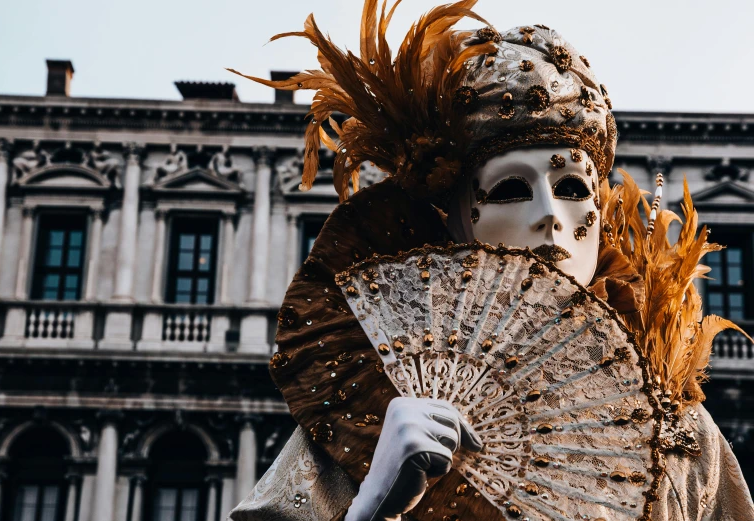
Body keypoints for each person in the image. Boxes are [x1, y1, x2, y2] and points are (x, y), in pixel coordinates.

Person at [228, 1, 754, 519]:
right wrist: (372, 505)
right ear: (459, 219)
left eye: (572, 187)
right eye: (509, 190)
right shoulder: (367, 414)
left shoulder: (682, 431)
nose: (550, 215)